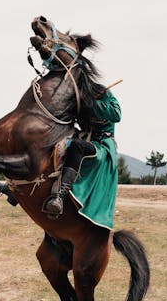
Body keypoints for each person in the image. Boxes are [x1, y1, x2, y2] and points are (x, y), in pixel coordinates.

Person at [41, 88, 121, 222]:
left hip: (102, 145)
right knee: (53, 143)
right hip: (84, 138)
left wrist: (91, 103)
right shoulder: (77, 99)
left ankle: (60, 196)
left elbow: (116, 114)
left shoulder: (104, 93)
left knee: (77, 146)